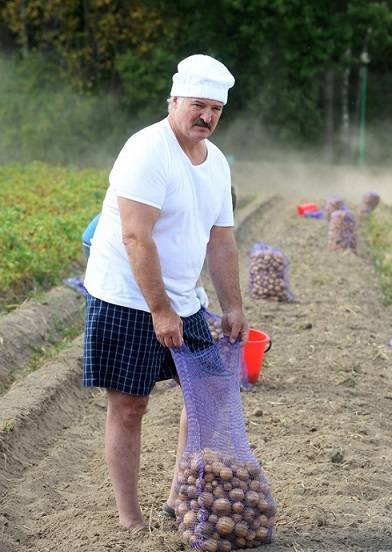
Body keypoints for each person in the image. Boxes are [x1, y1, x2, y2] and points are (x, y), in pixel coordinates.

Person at [82, 53, 248, 532]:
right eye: (198, 105)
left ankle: (178, 497)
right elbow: (137, 237)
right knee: (130, 404)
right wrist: (160, 310)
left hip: (184, 295)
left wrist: (233, 305)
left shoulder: (215, 163)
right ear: (173, 101)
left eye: (216, 109)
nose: (207, 117)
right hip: (127, 296)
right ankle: (130, 519)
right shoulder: (146, 151)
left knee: (210, 393)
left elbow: (221, 239)